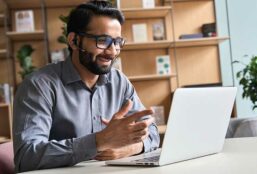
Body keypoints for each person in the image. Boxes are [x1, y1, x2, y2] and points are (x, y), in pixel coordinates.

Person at [13, 0, 160, 172]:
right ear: (74, 41)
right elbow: (27, 157)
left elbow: (153, 133)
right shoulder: (39, 85)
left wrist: (128, 148)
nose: (112, 51)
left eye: (117, 42)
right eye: (103, 41)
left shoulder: (119, 82)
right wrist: (99, 142)